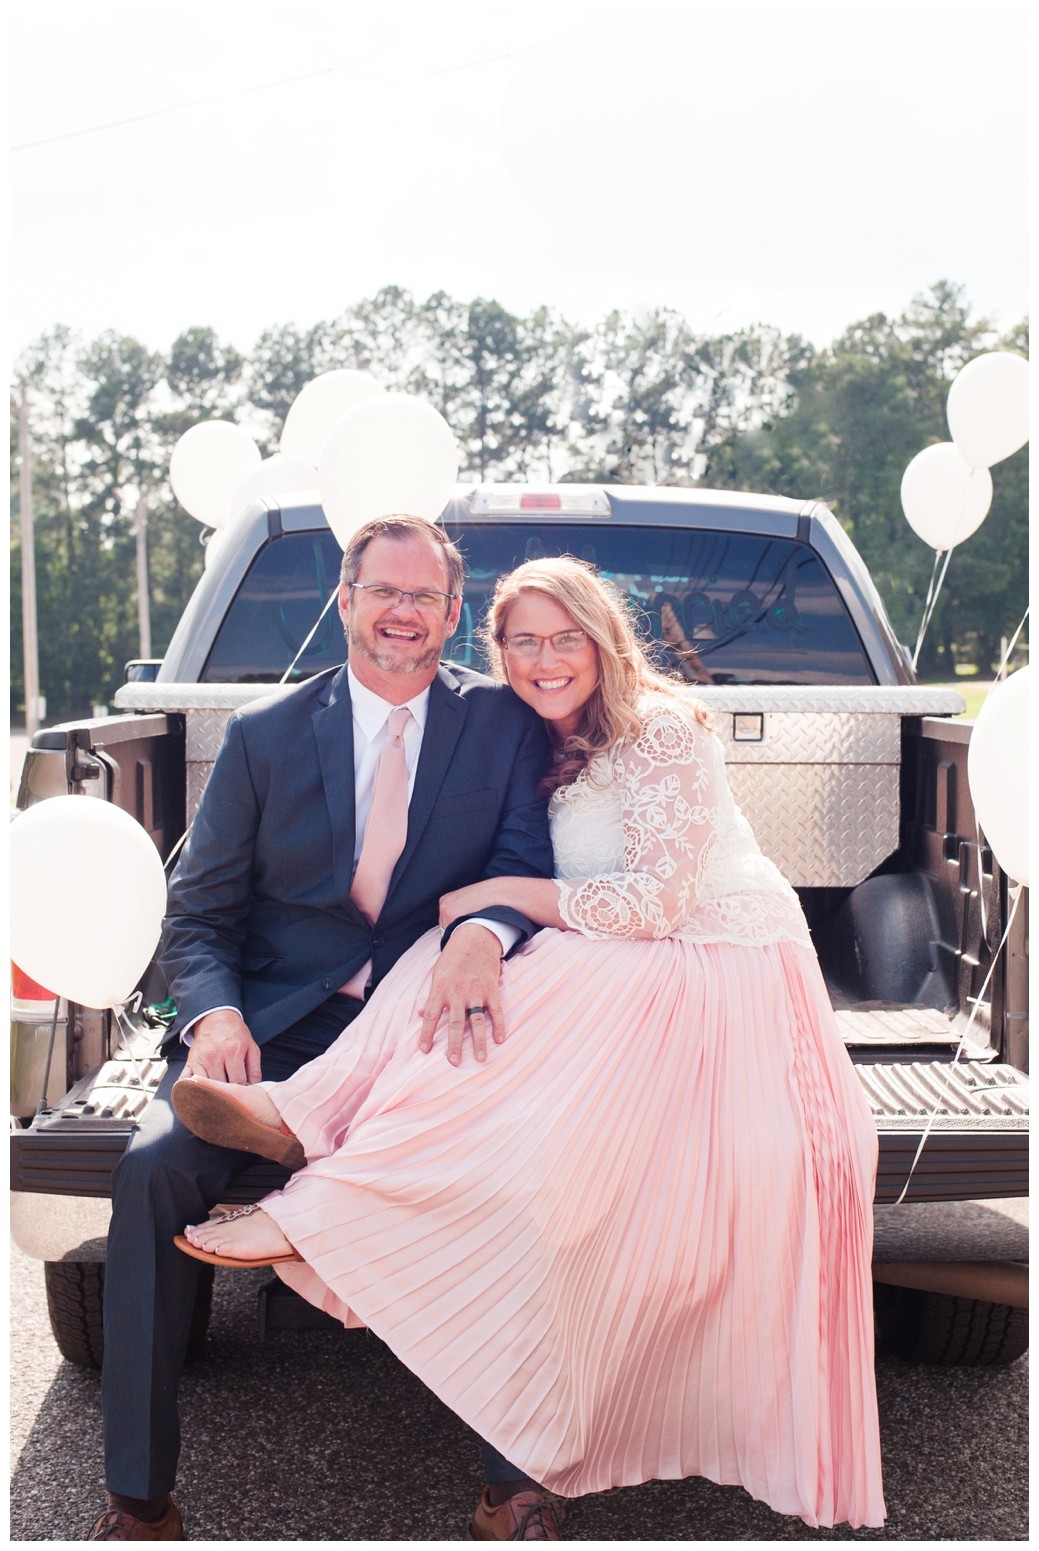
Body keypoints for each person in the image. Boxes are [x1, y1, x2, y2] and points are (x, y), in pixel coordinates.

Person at [174, 556, 887, 1535]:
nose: (545, 659)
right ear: (496, 650)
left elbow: (659, 902)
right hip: (624, 950)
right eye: (522, 642)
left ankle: (323, 1209)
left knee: (510, 998)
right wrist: (479, 916)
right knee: (450, 957)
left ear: (602, 640)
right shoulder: (531, 736)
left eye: (564, 639)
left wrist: (501, 897)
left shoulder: (660, 729)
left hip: (718, 966)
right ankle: (300, 1115)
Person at [90, 516, 557, 1542]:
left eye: (423, 595)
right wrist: (214, 1014)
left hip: (425, 1031)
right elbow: (199, 912)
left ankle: (514, 1487)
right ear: (344, 601)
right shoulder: (264, 734)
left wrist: (481, 933)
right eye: (382, 591)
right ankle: (138, 1500)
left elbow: (526, 867)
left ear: (452, 613)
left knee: (520, 1176)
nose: (401, 612)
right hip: (276, 1031)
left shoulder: (502, 725)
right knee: (152, 1170)